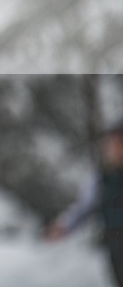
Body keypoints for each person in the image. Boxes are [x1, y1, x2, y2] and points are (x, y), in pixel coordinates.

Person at [47, 117, 123, 286]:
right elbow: (84, 207)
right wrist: (64, 227)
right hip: (115, 244)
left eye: (118, 144)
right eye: (111, 145)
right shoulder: (101, 178)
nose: (113, 150)